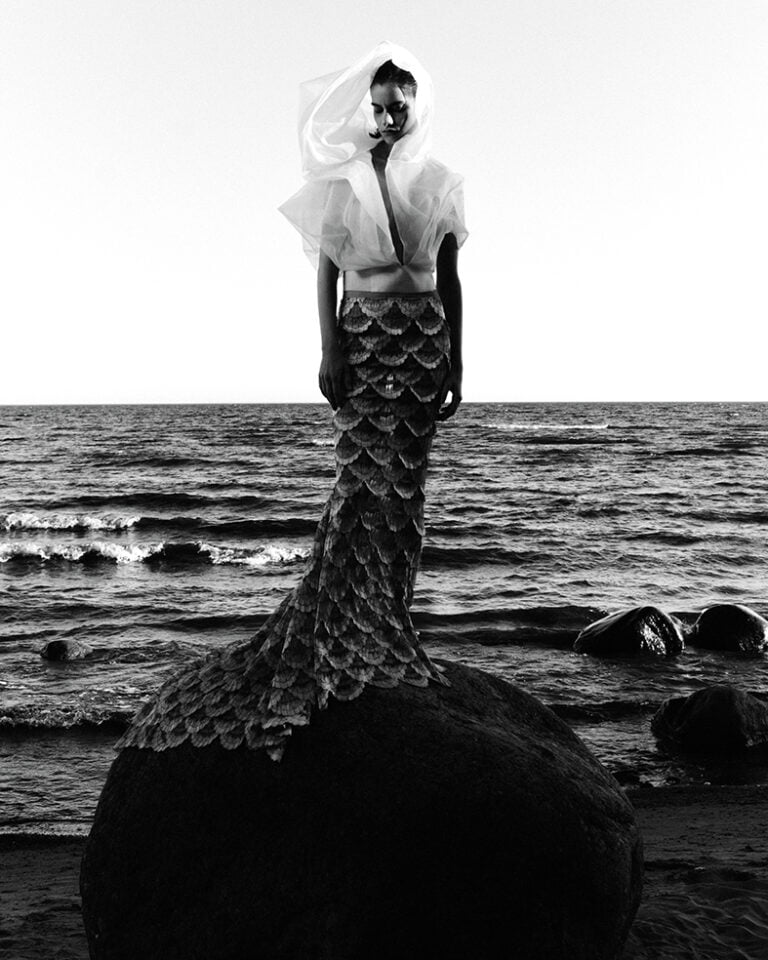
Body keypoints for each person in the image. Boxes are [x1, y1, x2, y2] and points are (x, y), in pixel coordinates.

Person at [117, 42, 467, 761]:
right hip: (364, 337)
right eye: (379, 106)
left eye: (400, 104)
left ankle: (386, 622)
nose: (389, 114)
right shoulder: (343, 184)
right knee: (356, 491)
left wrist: (458, 354)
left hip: (424, 338)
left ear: (418, 105)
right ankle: (338, 632)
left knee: (403, 497)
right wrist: (328, 347)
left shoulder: (442, 181)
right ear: (368, 110)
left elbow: (452, 279)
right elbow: (328, 274)